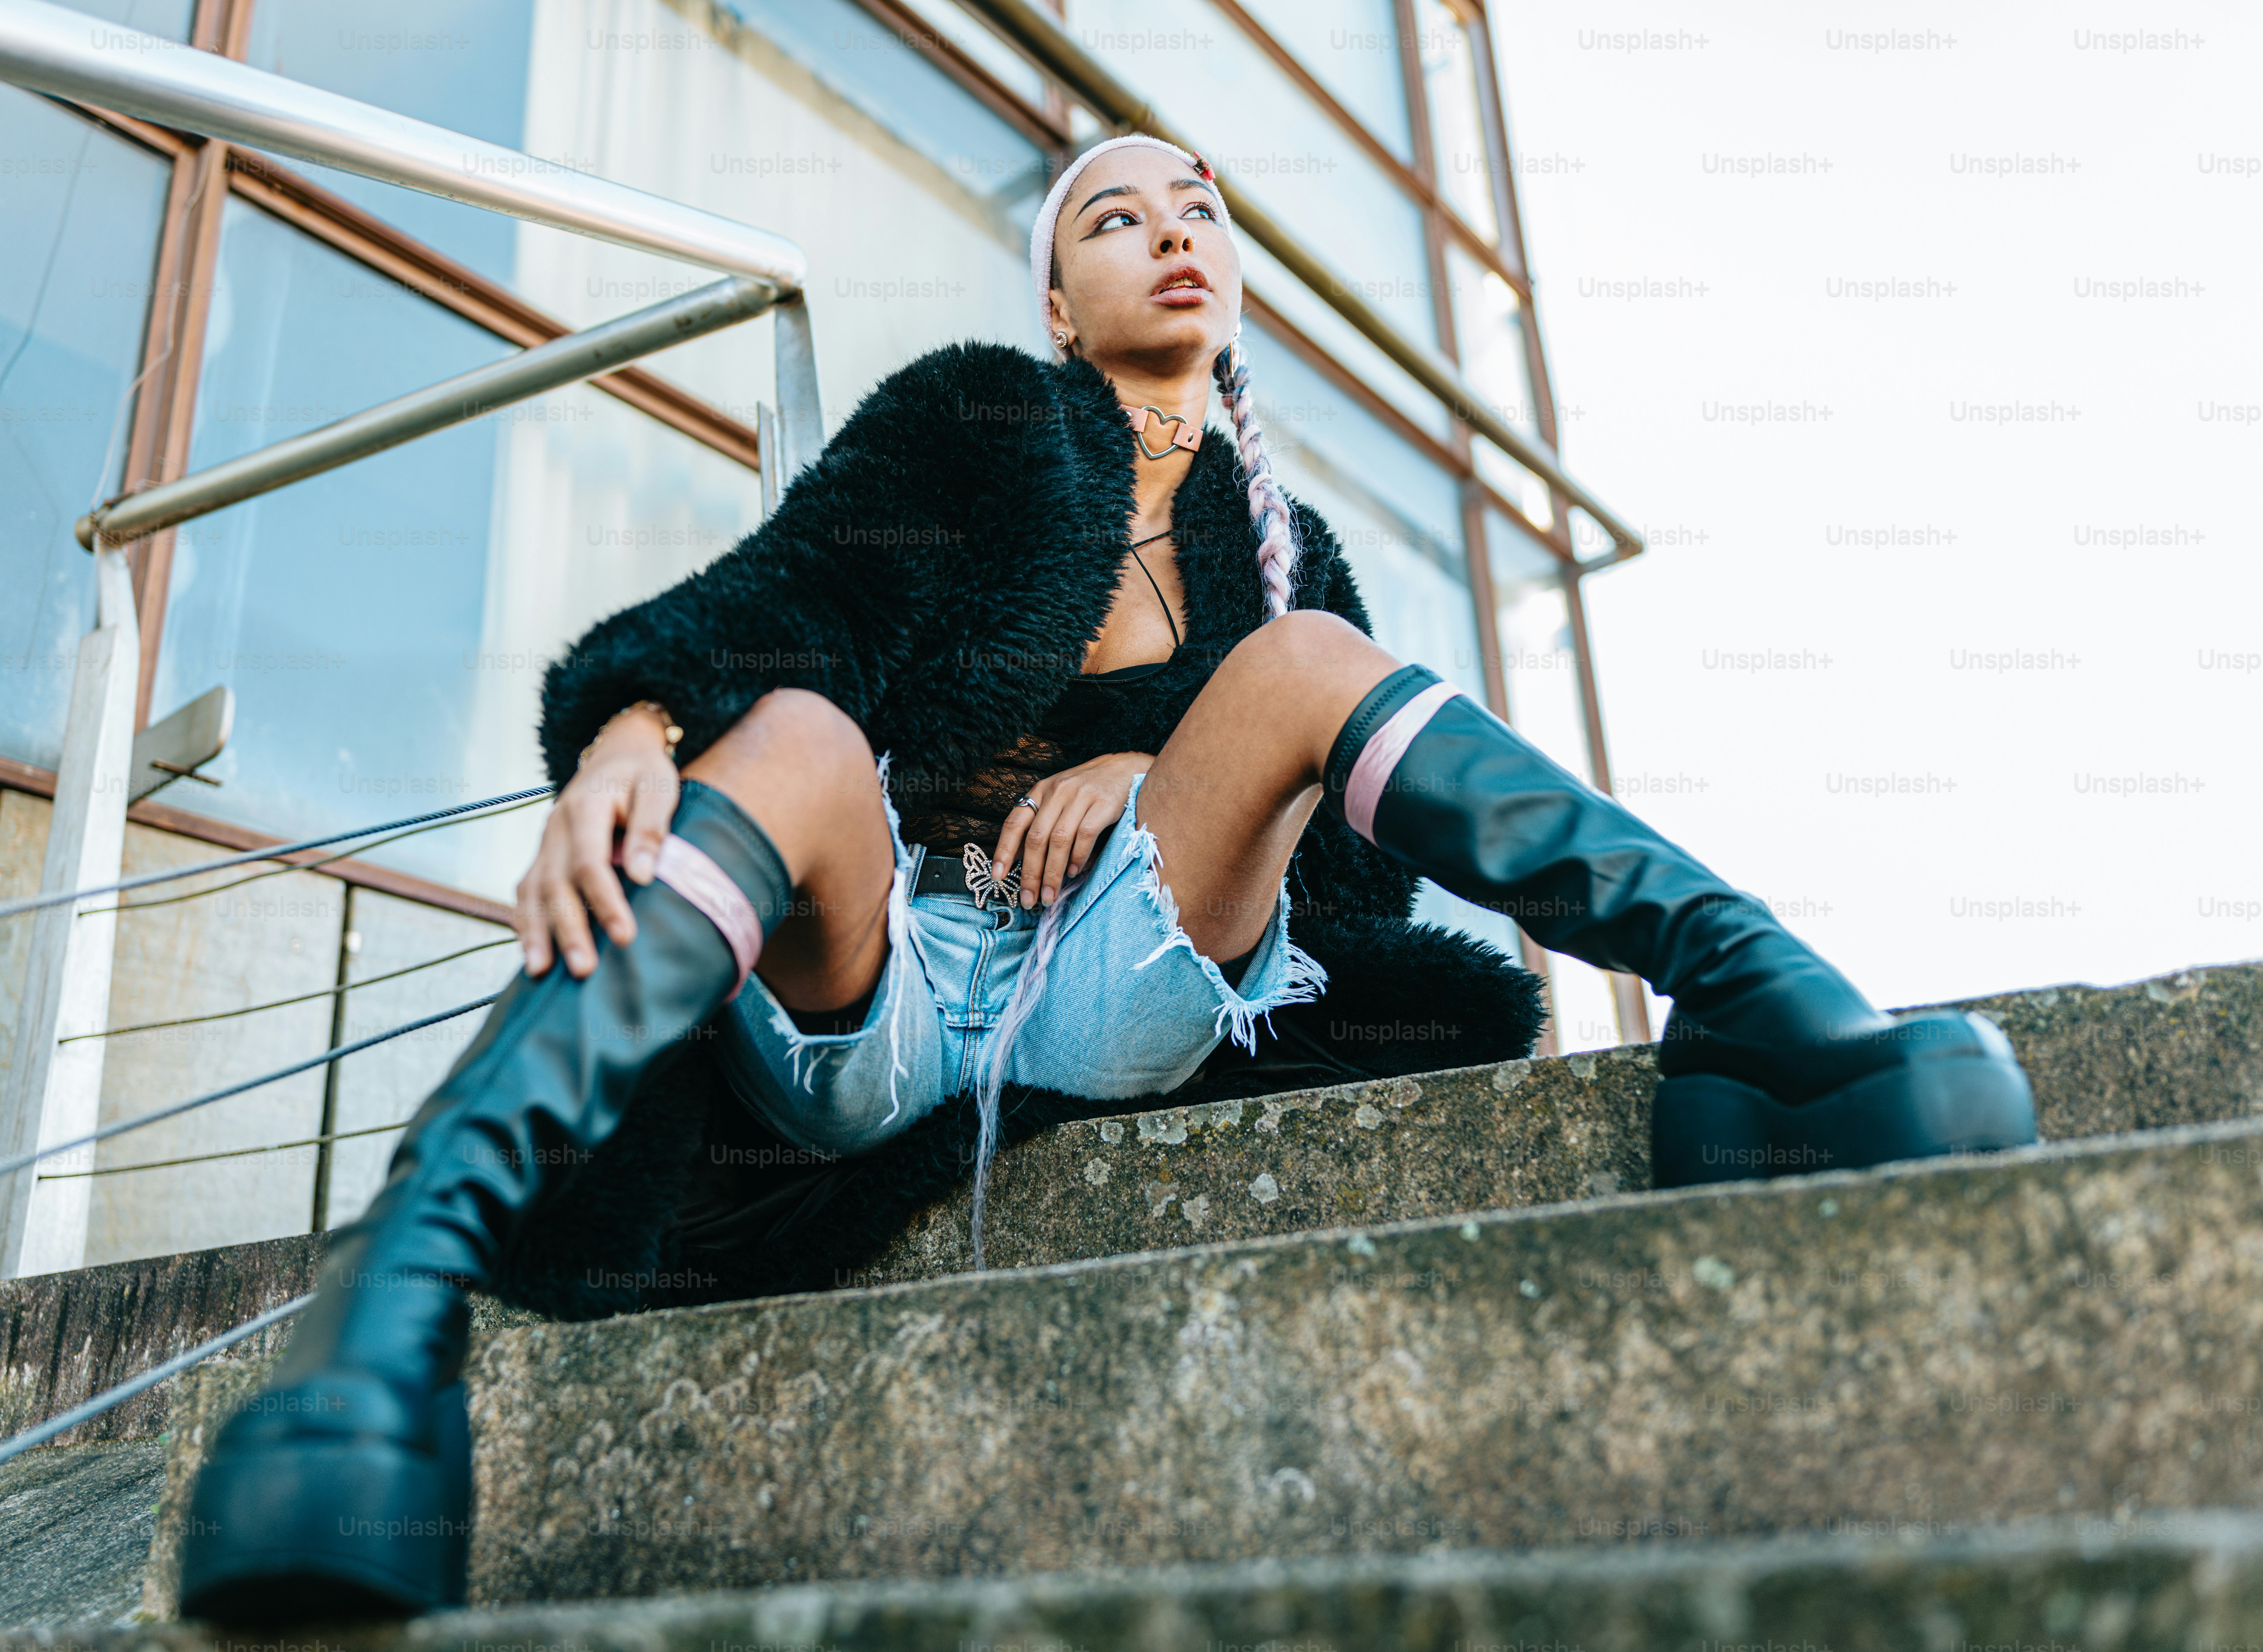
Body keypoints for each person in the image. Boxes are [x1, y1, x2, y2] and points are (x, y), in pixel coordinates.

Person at [177, 135, 2035, 1622]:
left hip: (1129, 984)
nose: (1172, 233)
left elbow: (1349, 906)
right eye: (1115, 217)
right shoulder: (977, 420)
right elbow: (794, 601)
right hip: (886, 980)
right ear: (1059, 304)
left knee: (1301, 670)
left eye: (1199, 208)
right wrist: (633, 730)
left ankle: (1759, 999)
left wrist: (1168, 771)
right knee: (802, 729)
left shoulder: (1289, 560)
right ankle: (388, 1319)